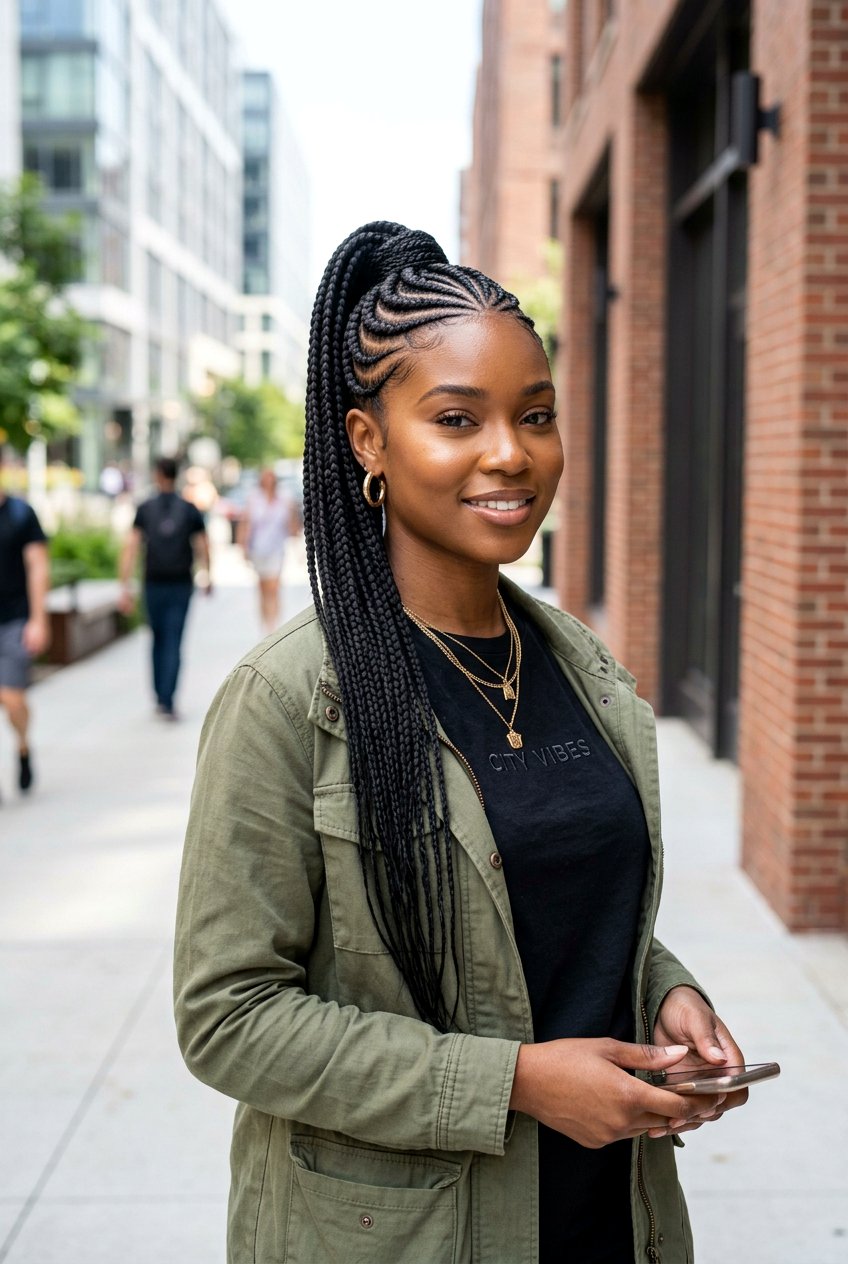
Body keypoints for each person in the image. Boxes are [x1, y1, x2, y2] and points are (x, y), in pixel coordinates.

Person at [174, 223, 750, 1264]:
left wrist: (663, 987)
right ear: (366, 441)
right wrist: (517, 1082)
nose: (509, 453)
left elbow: (549, 904)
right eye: (455, 418)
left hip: (607, 1216)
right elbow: (229, 1014)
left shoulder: (582, 669)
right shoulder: (289, 697)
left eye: (536, 416)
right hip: (404, 1234)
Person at [119, 457, 211, 719]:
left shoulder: (145, 508)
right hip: (181, 584)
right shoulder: (190, 509)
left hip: (153, 583)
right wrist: (208, 574)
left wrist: (124, 585)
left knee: (157, 639)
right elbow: (203, 544)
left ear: (159, 475)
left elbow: (132, 547)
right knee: (174, 640)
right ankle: (168, 698)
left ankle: (160, 695)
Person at [0, 464, 50, 798]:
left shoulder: (20, 514)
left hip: (15, 619)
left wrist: (39, 619)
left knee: (11, 698)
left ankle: (22, 745)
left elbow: (38, 566)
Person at [236, 467, 297, 634]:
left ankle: (274, 626)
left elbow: (292, 525)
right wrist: (243, 546)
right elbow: (246, 523)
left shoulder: (284, 498)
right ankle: (265, 625)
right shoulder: (254, 499)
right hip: (258, 549)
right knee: (263, 589)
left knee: (274, 588)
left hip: (277, 548)